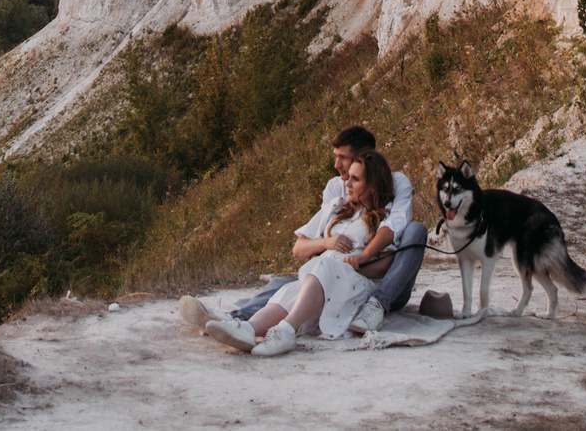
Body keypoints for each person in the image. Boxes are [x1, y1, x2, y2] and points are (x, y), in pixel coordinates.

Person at [178, 125, 431, 354]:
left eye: (343, 159)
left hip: (369, 281)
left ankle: (294, 327)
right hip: (328, 269)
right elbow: (304, 246)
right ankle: (243, 324)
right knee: (287, 285)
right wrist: (328, 245)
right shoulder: (337, 198)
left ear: (364, 160)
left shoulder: (393, 192)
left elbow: (394, 232)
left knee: (415, 231)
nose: (338, 167)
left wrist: (360, 258)